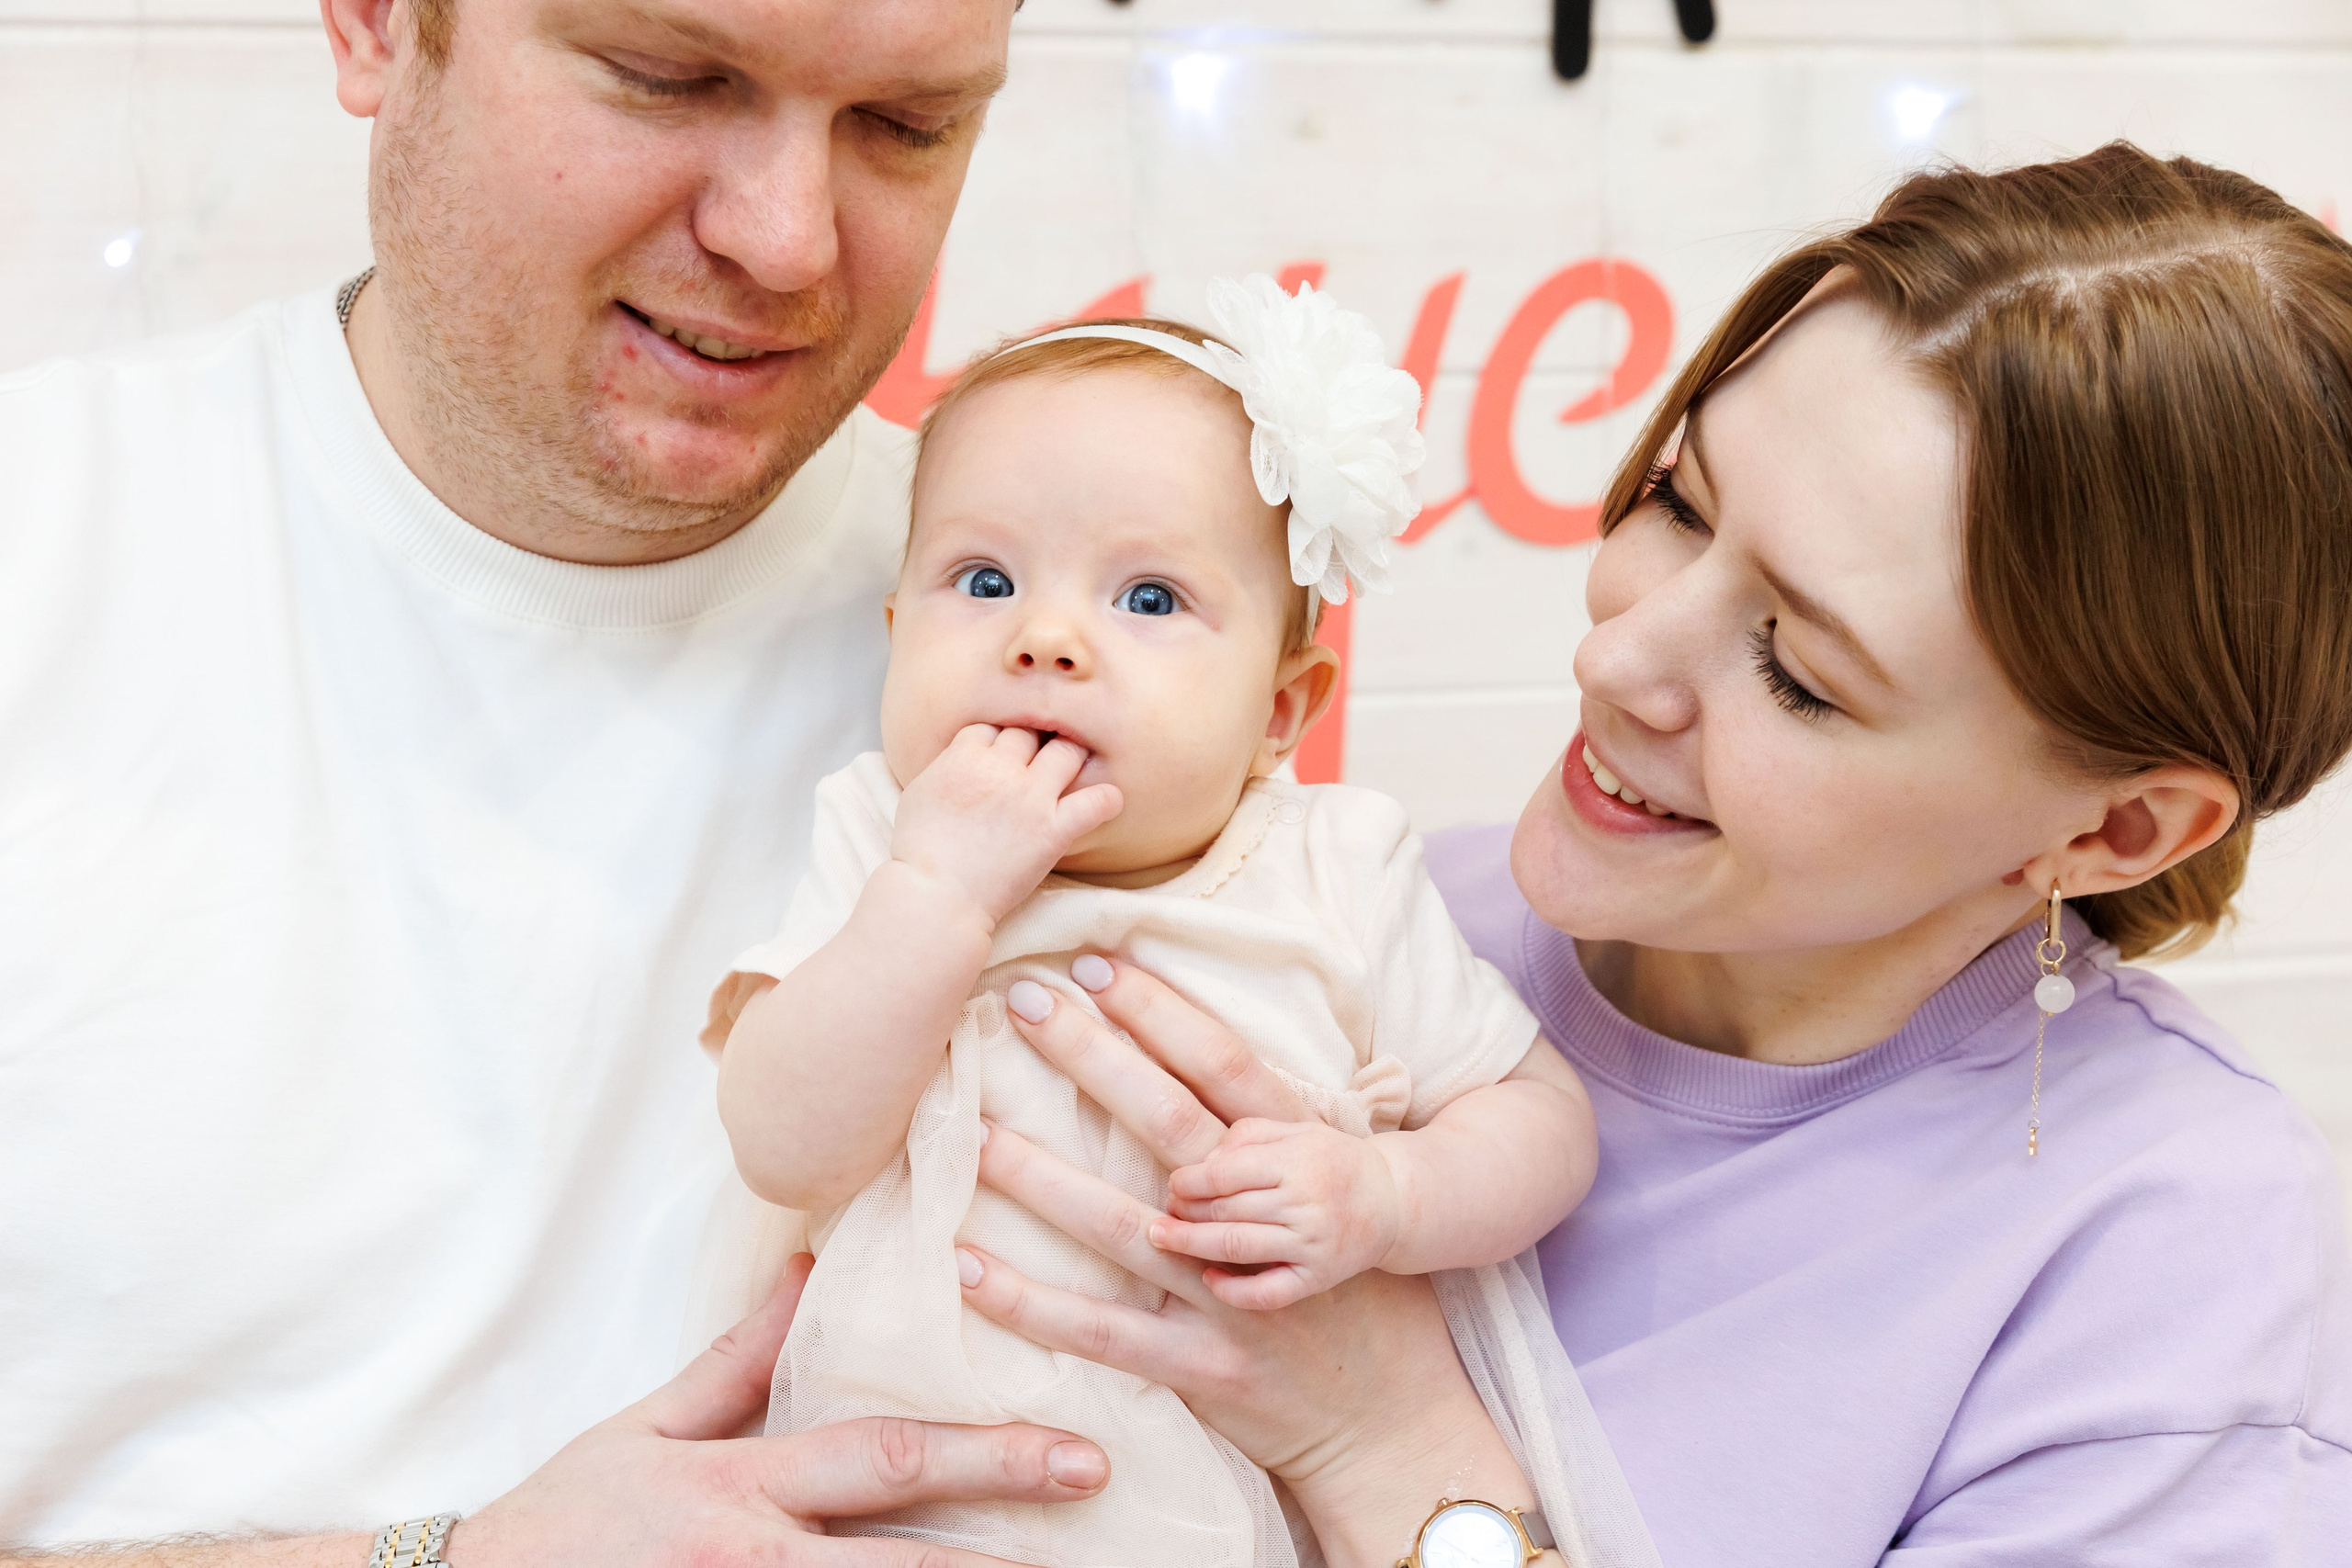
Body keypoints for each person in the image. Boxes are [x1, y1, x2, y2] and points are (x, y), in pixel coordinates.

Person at [913, 145, 2352, 1565]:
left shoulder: (2178, 1250)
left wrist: (1389, 1449)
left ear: (2113, 831)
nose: (1615, 655)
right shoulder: (1380, 921)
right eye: (1677, 501)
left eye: (1798, 670)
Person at [0, 0, 1141, 1560]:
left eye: (907, 126)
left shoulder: (1063, 676)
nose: (789, 240)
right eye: (671, 80)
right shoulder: (49, 541)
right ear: (378, 28)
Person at [698, 286, 1609, 1567]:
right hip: (894, 1492)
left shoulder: (1330, 866)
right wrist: (938, 897)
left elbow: (1541, 1121)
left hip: (1212, 1497)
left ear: (1282, 714)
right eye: (986, 578)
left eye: (1149, 599)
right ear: (897, 635)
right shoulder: (881, 834)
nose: (1048, 637)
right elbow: (781, 1143)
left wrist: (1389, 1196)